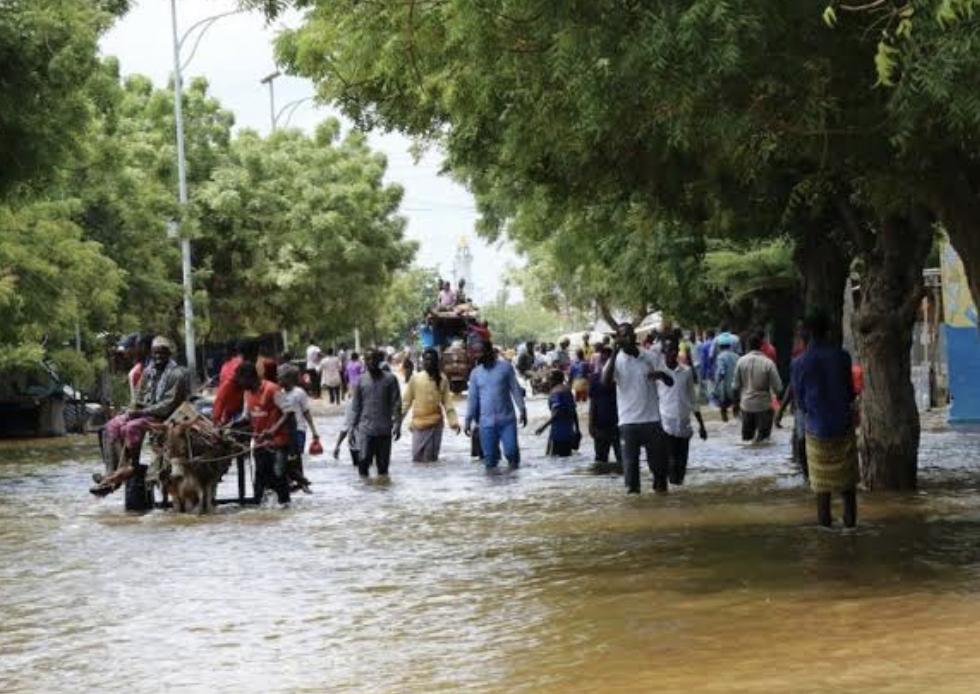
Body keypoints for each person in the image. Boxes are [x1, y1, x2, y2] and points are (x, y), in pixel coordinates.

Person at [92, 337, 188, 496]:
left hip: (165, 417)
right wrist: (131, 410)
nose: (158, 357)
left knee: (131, 427)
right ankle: (114, 470)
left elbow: (168, 405)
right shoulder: (148, 371)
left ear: (169, 354)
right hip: (144, 412)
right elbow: (138, 397)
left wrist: (142, 412)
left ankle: (133, 465)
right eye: (155, 353)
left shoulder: (177, 374)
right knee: (111, 426)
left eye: (162, 353)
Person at [795, 308, 859, 527]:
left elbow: (800, 403)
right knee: (848, 490)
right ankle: (851, 535)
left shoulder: (799, 363)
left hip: (816, 430)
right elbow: (851, 393)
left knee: (822, 493)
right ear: (828, 329)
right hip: (843, 427)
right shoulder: (842, 356)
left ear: (806, 331)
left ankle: (826, 544)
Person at [601, 322, 674, 494]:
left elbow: (671, 381)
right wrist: (613, 354)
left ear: (634, 337)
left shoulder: (650, 357)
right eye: (622, 336)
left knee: (660, 475)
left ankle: (662, 508)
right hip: (628, 424)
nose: (626, 338)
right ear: (618, 339)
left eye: (628, 335)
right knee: (631, 479)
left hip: (652, 421)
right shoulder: (616, 361)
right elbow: (605, 383)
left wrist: (661, 375)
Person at [465, 338, 527, 470]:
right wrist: (468, 420)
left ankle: (515, 485)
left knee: (511, 453)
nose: (478, 356)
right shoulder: (475, 374)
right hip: (486, 423)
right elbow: (472, 399)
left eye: (480, 352)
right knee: (490, 460)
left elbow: (515, 389)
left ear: (489, 351)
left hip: (507, 420)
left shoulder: (505, 368)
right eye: (476, 353)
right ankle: (493, 490)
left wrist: (522, 409)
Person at [238, 361, 291, 505]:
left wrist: (273, 431)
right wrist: (231, 426)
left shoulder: (273, 389)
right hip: (260, 443)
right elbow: (246, 417)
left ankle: (285, 507)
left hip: (278, 442)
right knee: (260, 478)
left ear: (250, 377)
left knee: (279, 476)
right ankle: (259, 513)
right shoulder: (247, 393)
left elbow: (288, 412)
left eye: (241, 380)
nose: (240, 384)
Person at [658, 338, 707, 486]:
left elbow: (692, 399)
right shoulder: (659, 373)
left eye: (675, 349)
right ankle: (671, 493)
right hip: (666, 422)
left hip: (684, 422)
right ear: (663, 352)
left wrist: (701, 425)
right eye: (669, 350)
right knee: (672, 459)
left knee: (682, 461)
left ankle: (679, 491)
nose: (672, 353)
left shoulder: (686, 371)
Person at [400, 348, 460, 462]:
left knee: (431, 460)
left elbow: (447, 402)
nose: (428, 362)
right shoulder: (415, 378)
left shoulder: (442, 379)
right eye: (426, 360)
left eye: (431, 360)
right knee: (417, 459)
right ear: (422, 361)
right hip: (419, 424)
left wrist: (454, 422)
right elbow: (406, 402)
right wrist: (397, 422)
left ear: (436, 362)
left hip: (435, 424)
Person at [348, 349, 402, 477]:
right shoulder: (361, 380)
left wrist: (398, 425)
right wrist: (351, 430)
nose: (371, 362)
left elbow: (397, 403)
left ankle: (382, 494)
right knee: (363, 465)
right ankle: (365, 495)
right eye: (368, 359)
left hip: (384, 430)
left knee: (383, 470)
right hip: (365, 430)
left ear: (380, 361)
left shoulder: (390, 379)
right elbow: (356, 407)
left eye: (374, 359)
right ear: (364, 361)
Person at [733, 333, 783, 442]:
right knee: (764, 442)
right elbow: (778, 388)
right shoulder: (768, 363)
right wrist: (779, 406)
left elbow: (736, 387)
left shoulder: (740, 362)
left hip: (746, 406)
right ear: (761, 346)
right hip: (764, 406)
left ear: (747, 346)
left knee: (746, 441)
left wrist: (736, 406)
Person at [276, 364, 319, 494]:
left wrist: (314, 431)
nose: (278, 380)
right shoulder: (278, 393)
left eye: (281, 378)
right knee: (287, 458)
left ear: (290, 379)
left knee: (296, 457)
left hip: (298, 429)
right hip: (284, 431)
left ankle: (301, 483)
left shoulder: (299, 393)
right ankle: (293, 482)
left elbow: (306, 412)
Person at [776, 325, 811, 478]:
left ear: (803, 341)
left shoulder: (798, 361)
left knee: (801, 442)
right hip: (821, 410)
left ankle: (806, 477)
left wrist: (781, 411)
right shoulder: (837, 355)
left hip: (803, 408)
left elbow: (792, 387)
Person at [589, 346, 622, 466]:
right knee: (600, 462)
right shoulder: (595, 378)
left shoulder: (621, 379)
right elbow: (593, 403)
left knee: (623, 459)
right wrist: (591, 424)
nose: (606, 363)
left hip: (620, 424)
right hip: (600, 425)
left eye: (609, 360)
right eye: (603, 361)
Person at [536, 370, 580, 457]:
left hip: (557, 434)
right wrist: (577, 429)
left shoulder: (555, 392)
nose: (548, 382)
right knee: (566, 460)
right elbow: (574, 412)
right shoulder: (568, 391)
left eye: (549, 379)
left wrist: (543, 426)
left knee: (552, 460)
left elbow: (557, 412)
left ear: (554, 380)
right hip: (569, 433)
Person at [714, 341, 739, 422]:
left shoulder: (720, 357)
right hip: (736, 386)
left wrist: (716, 385)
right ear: (729, 346)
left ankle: (725, 422)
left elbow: (721, 372)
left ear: (720, 347)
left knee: (723, 407)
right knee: (736, 407)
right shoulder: (736, 356)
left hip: (725, 387)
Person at [333, 399, 361, 468]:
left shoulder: (351, 402)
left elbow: (346, 426)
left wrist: (337, 445)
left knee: (359, 470)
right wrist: (337, 445)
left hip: (355, 442)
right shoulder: (376, 400)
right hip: (360, 442)